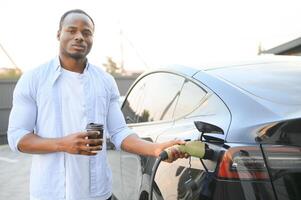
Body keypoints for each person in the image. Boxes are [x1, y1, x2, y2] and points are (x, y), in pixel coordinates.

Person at [7, 9, 186, 200]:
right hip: (51, 193)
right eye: (72, 30)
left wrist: (156, 149)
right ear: (59, 34)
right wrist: (62, 144)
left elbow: (119, 132)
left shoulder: (105, 81)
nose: (79, 37)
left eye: (86, 33)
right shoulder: (34, 79)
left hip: (98, 193)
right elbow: (18, 137)